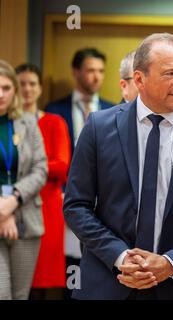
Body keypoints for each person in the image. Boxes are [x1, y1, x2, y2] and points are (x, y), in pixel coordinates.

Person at [63, 33, 173, 300]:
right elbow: (76, 206)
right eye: (170, 73)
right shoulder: (98, 128)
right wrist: (120, 256)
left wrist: (171, 263)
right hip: (107, 281)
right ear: (139, 79)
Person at [45, 48, 114, 289]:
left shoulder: (113, 111)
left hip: (102, 205)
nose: (96, 76)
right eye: (90, 70)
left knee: (96, 269)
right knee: (66, 270)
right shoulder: (54, 110)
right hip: (62, 199)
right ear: (76, 72)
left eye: (101, 71)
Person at [15, 64, 71, 299]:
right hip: (10, 207)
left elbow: (62, 166)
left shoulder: (53, 122)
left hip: (45, 208)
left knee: (38, 285)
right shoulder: (6, 124)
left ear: (39, 89)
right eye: (21, 84)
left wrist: (21, 169)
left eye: (32, 84)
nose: (27, 89)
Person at [0, 60, 47, 299]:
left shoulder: (27, 122)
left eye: (7, 88)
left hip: (26, 221)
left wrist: (13, 198)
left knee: (20, 295)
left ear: (14, 91)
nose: (1, 94)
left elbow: (41, 168)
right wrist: (2, 211)